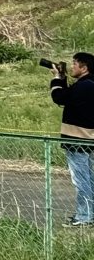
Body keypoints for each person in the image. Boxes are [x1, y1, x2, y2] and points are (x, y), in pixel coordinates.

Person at [50, 52, 94, 227]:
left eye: (75, 64)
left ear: (84, 68)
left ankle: (84, 215)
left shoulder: (84, 86)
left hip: (77, 139)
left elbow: (60, 97)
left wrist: (56, 79)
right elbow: (70, 97)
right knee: (89, 177)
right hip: (89, 138)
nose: (72, 67)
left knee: (81, 179)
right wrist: (62, 79)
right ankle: (89, 213)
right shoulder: (89, 84)